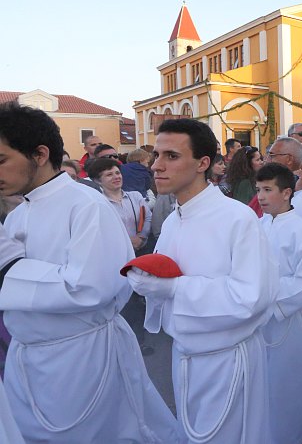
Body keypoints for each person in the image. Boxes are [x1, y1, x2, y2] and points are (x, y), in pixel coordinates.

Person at [0, 102, 179, 442]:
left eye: (1, 160)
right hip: (29, 360)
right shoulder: (20, 212)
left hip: (79, 359)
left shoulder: (86, 206)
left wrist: (10, 267)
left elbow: (90, 288)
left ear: (40, 154)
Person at [128, 118, 278, 443]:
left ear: (203, 163)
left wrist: (174, 288)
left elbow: (252, 296)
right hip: (184, 356)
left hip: (227, 360)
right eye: (156, 155)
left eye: (171, 156)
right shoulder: (173, 221)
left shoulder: (237, 218)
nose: (156, 166)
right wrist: (147, 281)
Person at [256, 163, 302, 443]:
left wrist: (270, 296)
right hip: (259, 318)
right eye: (259, 189)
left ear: (286, 193)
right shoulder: (259, 225)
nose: (261, 197)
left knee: (288, 381)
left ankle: (295, 433)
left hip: (288, 319)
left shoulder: (301, 231)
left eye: (267, 190)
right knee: (264, 382)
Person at [87, 157, 151, 254]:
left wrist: (141, 237)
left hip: (140, 250)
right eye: (109, 175)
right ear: (98, 181)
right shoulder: (98, 204)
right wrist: (126, 242)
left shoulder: (135, 196)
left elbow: (147, 217)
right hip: (114, 253)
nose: (116, 177)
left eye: (117, 173)